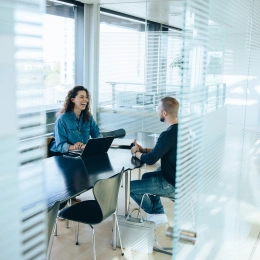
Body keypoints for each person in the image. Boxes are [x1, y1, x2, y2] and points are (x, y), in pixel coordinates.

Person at [130, 96, 178, 226]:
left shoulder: (167, 134)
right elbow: (163, 149)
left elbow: (150, 160)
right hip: (177, 180)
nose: (157, 111)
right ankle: (158, 213)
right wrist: (144, 149)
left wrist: (137, 153)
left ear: (164, 113)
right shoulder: (179, 131)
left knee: (130, 188)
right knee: (146, 176)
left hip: (170, 184)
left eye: (158, 108)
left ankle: (155, 214)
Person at [50, 86, 102, 155]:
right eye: (81, 97)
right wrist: (76, 147)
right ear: (72, 100)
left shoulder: (88, 117)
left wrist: (98, 143)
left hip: (80, 153)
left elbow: (97, 134)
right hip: (62, 156)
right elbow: (61, 146)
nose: (86, 100)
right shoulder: (62, 119)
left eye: (86, 97)